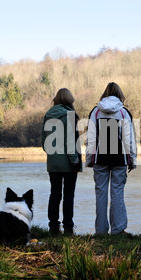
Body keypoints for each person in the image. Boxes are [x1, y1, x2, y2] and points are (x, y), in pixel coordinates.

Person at [86, 82, 137, 235]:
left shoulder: (95, 112)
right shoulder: (123, 112)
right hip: (119, 158)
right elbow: (129, 139)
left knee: (100, 193)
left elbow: (91, 138)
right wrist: (132, 159)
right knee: (117, 193)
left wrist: (89, 159)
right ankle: (118, 229)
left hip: (100, 159)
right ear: (120, 94)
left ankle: (100, 231)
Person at [42, 88, 82, 235]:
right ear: (69, 101)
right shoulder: (69, 115)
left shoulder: (48, 115)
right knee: (68, 195)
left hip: (53, 163)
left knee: (55, 194)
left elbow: (43, 141)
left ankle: (53, 227)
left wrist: (53, 156)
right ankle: (68, 228)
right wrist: (75, 161)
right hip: (68, 163)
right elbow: (71, 142)